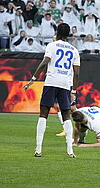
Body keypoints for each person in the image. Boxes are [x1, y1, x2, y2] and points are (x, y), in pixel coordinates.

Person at [23, 23, 80, 158]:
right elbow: (76, 74)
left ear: (57, 33)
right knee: (66, 116)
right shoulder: (74, 50)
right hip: (65, 85)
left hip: (51, 82)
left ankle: (38, 149)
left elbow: (44, 63)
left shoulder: (52, 46)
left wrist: (32, 79)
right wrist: (74, 92)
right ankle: (70, 150)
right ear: (68, 35)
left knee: (44, 114)